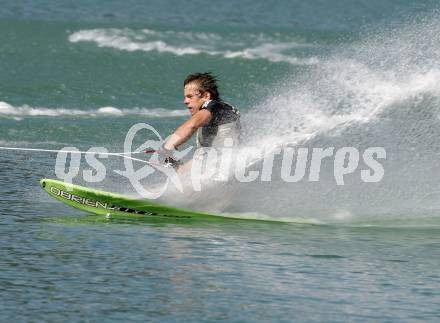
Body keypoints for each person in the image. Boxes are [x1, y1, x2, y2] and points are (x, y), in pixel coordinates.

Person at [158, 72, 240, 169]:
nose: (185, 101)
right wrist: (177, 166)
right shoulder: (217, 114)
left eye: (190, 96)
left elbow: (192, 125)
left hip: (225, 168)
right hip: (224, 168)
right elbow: (200, 163)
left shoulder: (214, 105)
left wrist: (168, 146)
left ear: (206, 96)